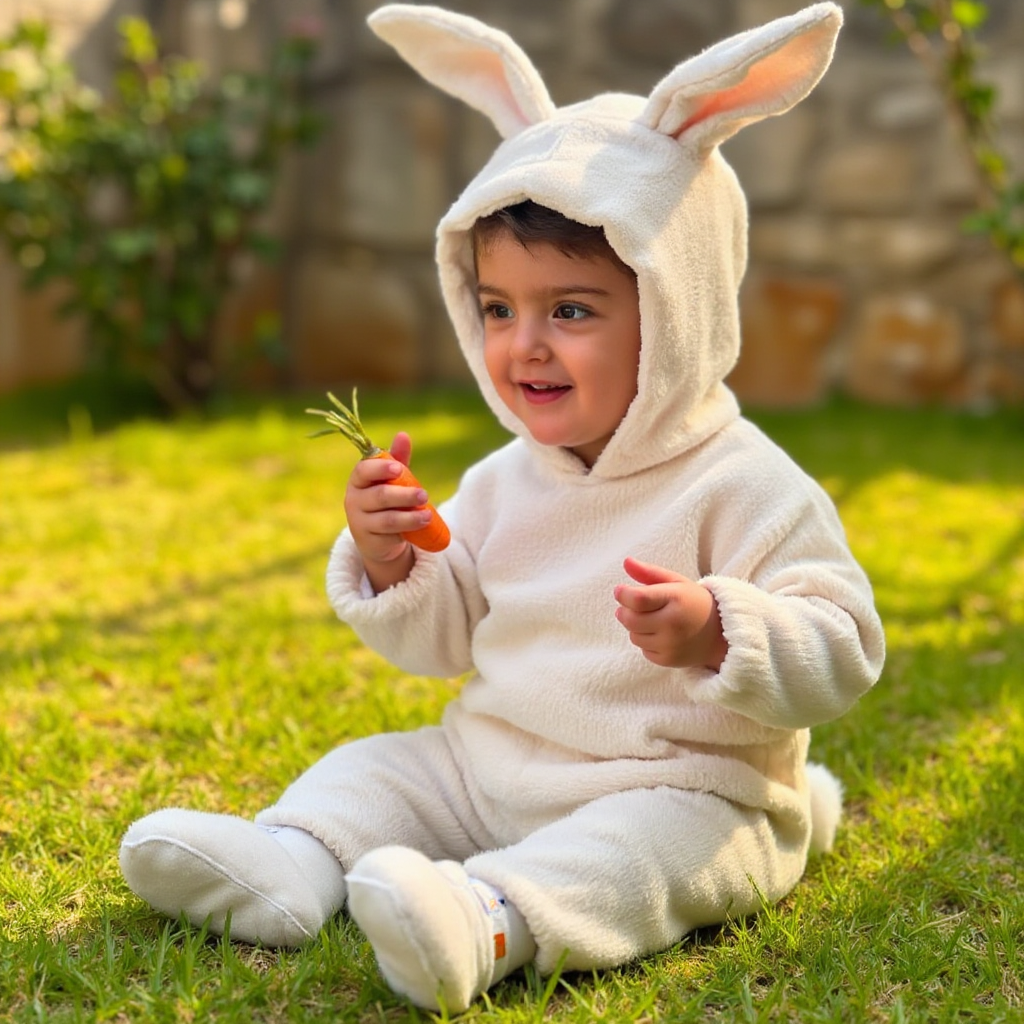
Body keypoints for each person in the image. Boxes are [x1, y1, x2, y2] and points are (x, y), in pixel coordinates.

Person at [119, 2, 885, 1013]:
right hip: (493, 764)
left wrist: (718, 630)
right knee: (383, 768)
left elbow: (845, 644)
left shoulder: (745, 485)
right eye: (497, 308)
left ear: (675, 304)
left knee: (645, 853)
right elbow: (446, 642)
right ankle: (290, 862)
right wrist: (397, 559)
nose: (524, 343)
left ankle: (487, 919)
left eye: (569, 309)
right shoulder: (500, 480)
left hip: (687, 789)